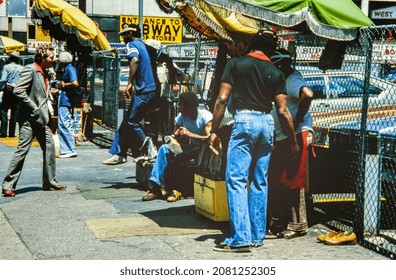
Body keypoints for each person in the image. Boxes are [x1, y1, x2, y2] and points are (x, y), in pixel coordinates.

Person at [208, 28, 299, 253]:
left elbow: (221, 99)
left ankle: (240, 238)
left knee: (237, 179)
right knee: (260, 181)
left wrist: (214, 129)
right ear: (272, 48)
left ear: (252, 43)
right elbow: (283, 111)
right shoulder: (277, 73)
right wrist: (293, 140)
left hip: (245, 121)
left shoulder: (236, 64)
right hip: (266, 123)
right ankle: (257, 235)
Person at [1, 45, 66, 197]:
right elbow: (18, 91)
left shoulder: (45, 72)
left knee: (49, 147)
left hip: (40, 119)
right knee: (22, 150)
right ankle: (8, 185)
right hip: (28, 119)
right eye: (51, 57)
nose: (53, 59)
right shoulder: (30, 69)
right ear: (42, 59)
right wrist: (34, 107)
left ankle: (49, 181)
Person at [267, 48, 314, 238]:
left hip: (296, 134)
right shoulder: (282, 79)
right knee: (281, 178)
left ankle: (297, 225)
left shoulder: (292, 79)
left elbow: (308, 94)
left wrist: (298, 119)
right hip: (284, 135)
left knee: (294, 180)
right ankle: (284, 220)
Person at [103, 24, 158, 165]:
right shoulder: (144, 46)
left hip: (145, 91)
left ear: (131, 33)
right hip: (152, 92)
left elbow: (134, 60)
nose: (122, 37)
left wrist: (129, 82)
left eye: (124, 34)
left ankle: (150, 148)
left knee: (131, 121)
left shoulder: (132, 45)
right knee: (127, 121)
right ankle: (120, 153)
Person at [142, 91, 212, 202]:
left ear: (189, 107)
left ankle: (176, 190)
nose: (179, 107)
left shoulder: (205, 116)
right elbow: (176, 132)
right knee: (165, 148)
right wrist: (173, 137)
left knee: (178, 157)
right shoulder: (182, 116)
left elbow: (210, 139)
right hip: (189, 148)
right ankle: (155, 187)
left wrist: (190, 134)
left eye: (181, 105)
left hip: (203, 150)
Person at [57, 51, 78, 158]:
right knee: (63, 124)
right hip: (65, 99)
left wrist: (64, 85)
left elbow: (75, 83)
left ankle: (69, 149)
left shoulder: (70, 69)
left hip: (66, 100)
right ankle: (68, 148)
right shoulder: (68, 69)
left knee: (64, 124)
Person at [0, 51, 23, 138]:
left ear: (11, 58)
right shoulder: (21, 68)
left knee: (4, 109)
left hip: (8, 89)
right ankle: (12, 133)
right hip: (16, 90)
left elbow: (3, 79)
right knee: (14, 111)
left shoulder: (6, 67)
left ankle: (3, 131)